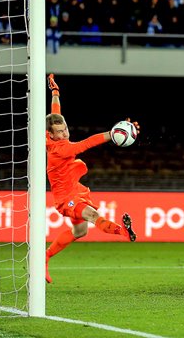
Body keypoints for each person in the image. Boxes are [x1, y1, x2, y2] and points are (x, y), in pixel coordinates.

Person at [44, 74, 138, 284]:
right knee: (92, 214)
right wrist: (114, 133)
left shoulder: (52, 134)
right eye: (59, 132)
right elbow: (85, 144)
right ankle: (122, 231)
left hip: (74, 189)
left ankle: (46, 257)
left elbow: (55, 113)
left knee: (80, 230)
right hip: (65, 198)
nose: (65, 133)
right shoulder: (61, 149)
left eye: (65, 129)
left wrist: (55, 92)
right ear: (51, 136)